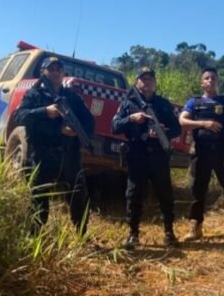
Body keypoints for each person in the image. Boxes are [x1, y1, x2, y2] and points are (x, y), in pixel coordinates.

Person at [12, 56, 95, 235]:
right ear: (43, 72)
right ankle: (34, 237)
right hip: (43, 153)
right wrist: (45, 113)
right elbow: (19, 116)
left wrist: (77, 132)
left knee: (79, 196)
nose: (56, 72)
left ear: (63, 73)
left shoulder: (72, 97)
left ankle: (81, 234)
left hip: (69, 154)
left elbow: (89, 121)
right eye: (52, 69)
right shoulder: (35, 94)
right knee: (39, 198)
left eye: (59, 69)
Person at [112, 67, 182, 249]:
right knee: (133, 195)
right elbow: (115, 126)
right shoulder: (128, 103)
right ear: (137, 82)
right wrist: (132, 119)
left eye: (150, 78)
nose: (147, 81)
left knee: (165, 194)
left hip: (159, 156)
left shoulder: (164, 104)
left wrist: (162, 131)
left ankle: (169, 233)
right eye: (143, 79)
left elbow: (177, 129)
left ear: (155, 82)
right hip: (137, 154)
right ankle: (133, 234)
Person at [179, 67, 224, 240]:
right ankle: (195, 228)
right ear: (202, 83)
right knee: (197, 191)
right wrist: (204, 124)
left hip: (222, 153)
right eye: (207, 78)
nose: (210, 81)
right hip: (201, 153)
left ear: (218, 82)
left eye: (213, 78)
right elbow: (182, 120)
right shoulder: (194, 103)